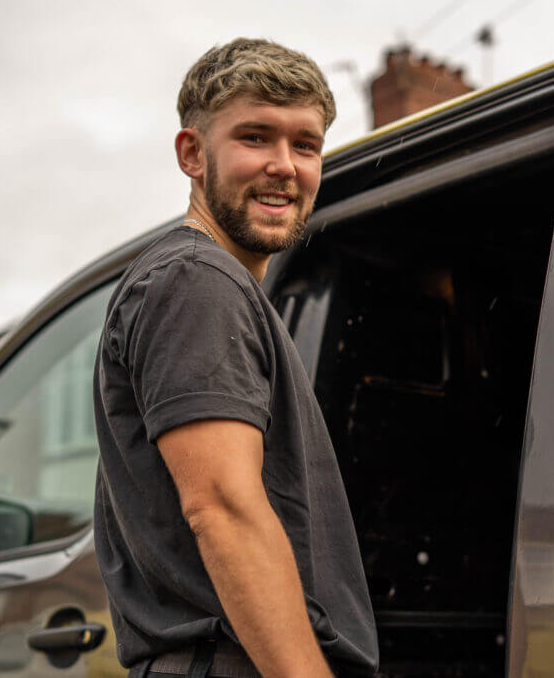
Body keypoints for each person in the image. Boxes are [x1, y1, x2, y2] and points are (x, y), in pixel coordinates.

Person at [92, 39, 379, 678]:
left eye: (304, 145)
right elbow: (221, 507)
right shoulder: (195, 279)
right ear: (192, 154)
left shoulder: (211, 285)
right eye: (256, 137)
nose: (284, 165)